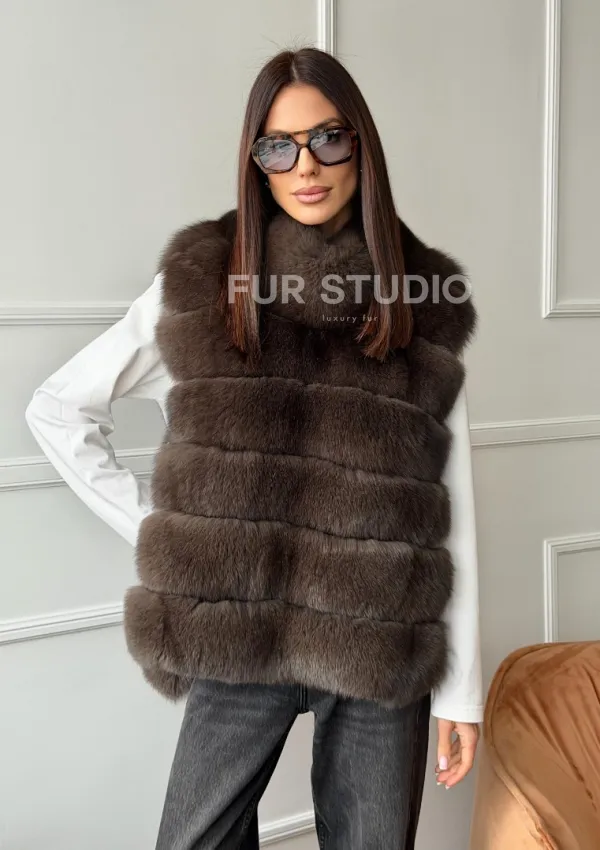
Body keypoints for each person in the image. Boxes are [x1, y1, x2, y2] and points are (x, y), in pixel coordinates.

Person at [26, 46, 483, 850]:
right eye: (278, 147)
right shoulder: (207, 279)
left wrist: (461, 691)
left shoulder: (419, 297)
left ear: (361, 145)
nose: (305, 166)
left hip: (376, 639)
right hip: (237, 637)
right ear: (255, 161)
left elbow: (454, 504)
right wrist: (172, 537)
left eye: (327, 139)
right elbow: (59, 408)